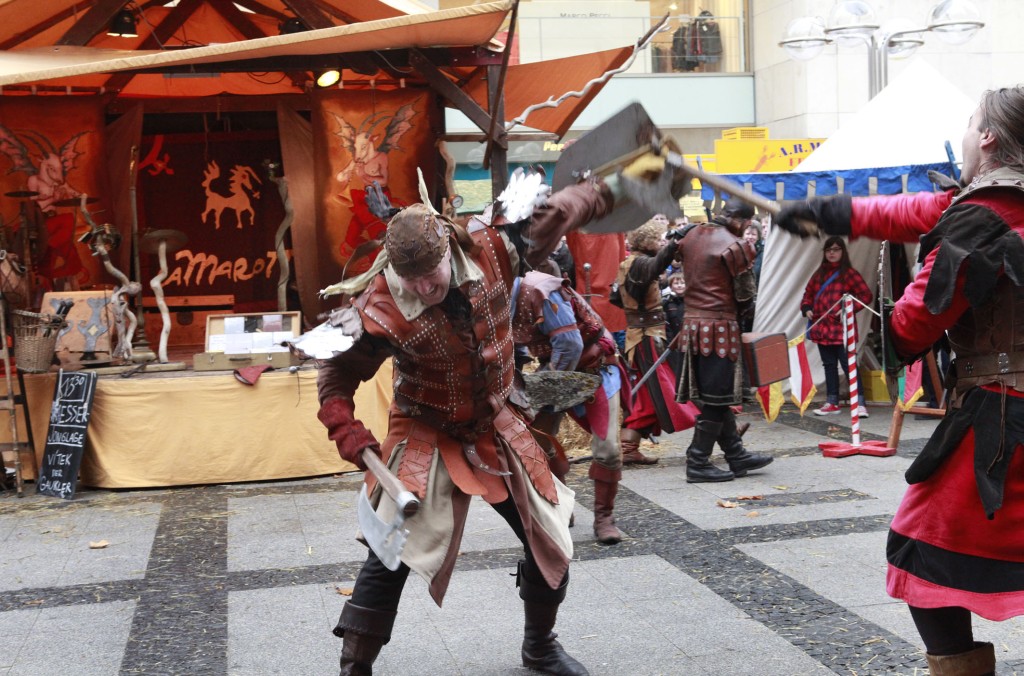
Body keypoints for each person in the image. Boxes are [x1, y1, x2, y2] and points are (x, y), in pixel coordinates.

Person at [775, 87, 1024, 675]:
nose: (965, 135)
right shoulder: (980, 206)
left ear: (987, 137)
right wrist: (833, 213)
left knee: (925, 547)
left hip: (1005, 413)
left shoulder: (982, 218)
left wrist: (887, 339)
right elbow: (913, 213)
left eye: (970, 124)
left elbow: (913, 325)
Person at [316, 190, 614, 675]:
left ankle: (540, 647)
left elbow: (559, 211)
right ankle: (354, 669)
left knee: (550, 536)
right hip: (425, 427)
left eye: (430, 274)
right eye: (410, 278)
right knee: (391, 550)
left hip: (496, 420)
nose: (422, 287)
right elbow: (336, 378)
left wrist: (603, 191)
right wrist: (347, 430)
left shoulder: (494, 246)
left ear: (448, 251)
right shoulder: (380, 304)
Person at [512, 270, 630, 545]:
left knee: (608, 449)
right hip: (554, 368)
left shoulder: (540, 291)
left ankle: (604, 517)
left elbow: (569, 345)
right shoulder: (490, 298)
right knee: (538, 444)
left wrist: (546, 386)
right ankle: (561, 506)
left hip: (595, 368)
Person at [675, 198, 773, 483]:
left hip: (692, 327)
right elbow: (745, 295)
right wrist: (746, 312)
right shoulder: (736, 245)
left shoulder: (692, 235)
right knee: (717, 399)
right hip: (719, 329)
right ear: (744, 222)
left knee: (717, 396)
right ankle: (698, 461)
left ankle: (735, 453)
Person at [615, 219, 700, 465]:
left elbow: (615, 297)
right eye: (657, 239)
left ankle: (628, 448)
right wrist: (675, 242)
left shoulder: (629, 263)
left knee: (648, 396)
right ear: (646, 241)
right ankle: (719, 429)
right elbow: (658, 264)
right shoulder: (640, 264)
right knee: (666, 389)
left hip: (642, 334)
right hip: (646, 336)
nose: (660, 243)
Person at [799, 236, 872, 418]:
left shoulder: (849, 273)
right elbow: (808, 294)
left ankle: (859, 403)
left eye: (836, 249)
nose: (832, 253)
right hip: (822, 329)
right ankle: (832, 402)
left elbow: (866, 295)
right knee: (829, 366)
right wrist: (806, 308)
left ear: (842, 252)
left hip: (843, 329)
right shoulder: (819, 274)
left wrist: (849, 308)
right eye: (828, 250)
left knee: (849, 366)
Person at [662, 270, 686, 345]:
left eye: (682, 283)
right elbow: (667, 326)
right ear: (670, 286)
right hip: (673, 342)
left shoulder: (692, 302)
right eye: (676, 283)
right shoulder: (666, 303)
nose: (679, 285)